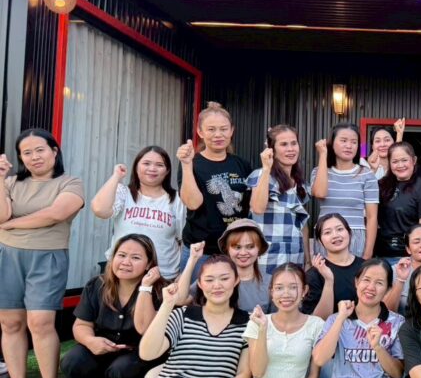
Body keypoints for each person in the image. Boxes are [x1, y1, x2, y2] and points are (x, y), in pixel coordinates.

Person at [0, 129, 85, 378]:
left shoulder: (70, 183)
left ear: (54, 151)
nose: (34, 157)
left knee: (41, 322)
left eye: (40, 150)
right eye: (27, 152)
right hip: (7, 255)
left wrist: (13, 224)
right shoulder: (11, 183)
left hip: (48, 256)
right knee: (10, 323)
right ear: (20, 157)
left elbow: (55, 214)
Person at [60, 234, 165, 378]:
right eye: (121, 255)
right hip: (103, 347)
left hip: (140, 353)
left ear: (149, 264)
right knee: (74, 359)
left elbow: (148, 330)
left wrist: (146, 287)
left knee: (123, 368)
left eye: (135, 258)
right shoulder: (97, 285)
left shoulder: (160, 290)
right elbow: (81, 325)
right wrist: (91, 341)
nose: (126, 262)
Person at [176, 101, 251, 271]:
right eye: (211, 129)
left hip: (236, 250)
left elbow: (251, 207)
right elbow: (193, 203)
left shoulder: (242, 165)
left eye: (224, 129)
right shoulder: (192, 163)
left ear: (231, 131)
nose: (218, 134)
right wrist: (186, 165)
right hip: (199, 251)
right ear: (200, 132)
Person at [90, 146, 186, 278]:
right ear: (136, 167)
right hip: (122, 273)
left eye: (159, 165)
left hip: (162, 275)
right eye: (146, 163)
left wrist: (182, 274)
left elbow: (184, 240)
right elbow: (100, 210)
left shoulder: (177, 199)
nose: (152, 169)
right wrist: (116, 177)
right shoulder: (124, 193)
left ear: (167, 170)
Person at [310, 123, 379, 259]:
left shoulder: (367, 175)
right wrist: (323, 155)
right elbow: (320, 193)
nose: (349, 146)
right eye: (343, 140)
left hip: (355, 236)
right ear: (332, 143)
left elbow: (372, 217)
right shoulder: (319, 171)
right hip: (326, 235)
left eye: (354, 142)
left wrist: (368, 252)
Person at [247, 124, 310, 273]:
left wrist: (308, 260)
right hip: (267, 258)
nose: (290, 149)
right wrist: (266, 168)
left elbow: (303, 225)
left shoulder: (299, 182)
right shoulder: (262, 175)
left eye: (294, 143)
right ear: (272, 149)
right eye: (283, 144)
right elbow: (257, 208)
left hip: (295, 256)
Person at [176, 219, 270, 313]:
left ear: (259, 248)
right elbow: (180, 300)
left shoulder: (270, 282)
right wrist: (193, 259)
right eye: (237, 247)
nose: (243, 253)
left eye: (250, 247)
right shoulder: (213, 276)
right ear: (227, 249)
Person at [374, 142, 421, 264]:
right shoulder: (381, 185)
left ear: (414, 160)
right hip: (381, 255)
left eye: (404, 160)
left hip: (409, 257)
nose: (400, 165)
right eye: (395, 161)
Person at [303, 214, 364, 319]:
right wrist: (328, 281)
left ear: (349, 233)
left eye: (340, 229)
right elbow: (316, 320)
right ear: (320, 241)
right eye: (327, 232)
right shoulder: (315, 274)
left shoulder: (366, 267)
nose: (335, 235)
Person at [382, 224, 421, 314]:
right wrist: (400, 280)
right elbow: (386, 312)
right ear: (408, 249)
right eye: (416, 242)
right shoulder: (394, 271)